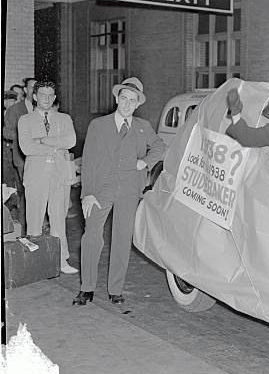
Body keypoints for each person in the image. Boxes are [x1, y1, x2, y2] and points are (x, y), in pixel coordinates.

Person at [73, 77, 165, 306]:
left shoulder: (143, 127)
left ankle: (116, 289)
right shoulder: (99, 125)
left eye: (132, 101)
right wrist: (88, 193)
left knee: (122, 239)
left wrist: (144, 162)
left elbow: (160, 146)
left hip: (129, 190)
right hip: (101, 188)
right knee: (92, 236)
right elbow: (90, 161)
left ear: (137, 104)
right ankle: (87, 288)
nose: (127, 104)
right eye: (124, 98)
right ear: (117, 98)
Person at [17, 81, 78, 273]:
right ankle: (35, 262)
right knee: (34, 219)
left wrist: (43, 140)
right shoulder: (25, 120)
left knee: (59, 217)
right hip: (36, 176)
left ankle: (61, 260)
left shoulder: (64, 118)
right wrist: (56, 146)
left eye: (51, 95)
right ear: (34, 97)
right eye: (43, 95)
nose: (47, 99)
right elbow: (27, 147)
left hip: (60, 175)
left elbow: (71, 141)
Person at [3, 77, 37, 231]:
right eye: (31, 87)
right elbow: (7, 132)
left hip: (40, 158)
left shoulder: (42, 108)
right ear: (25, 90)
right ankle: (24, 228)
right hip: (21, 158)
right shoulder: (14, 110)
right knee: (26, 191)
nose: (34, 90)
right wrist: (24, 136)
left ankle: (35, 225)